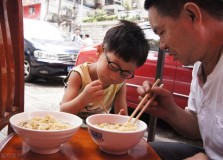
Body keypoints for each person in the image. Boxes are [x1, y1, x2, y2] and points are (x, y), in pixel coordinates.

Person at [137, 0, 223, 159]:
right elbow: (199, 129)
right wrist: (169, 111)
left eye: (161, 32)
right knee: (137, 151)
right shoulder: (200, 66)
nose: (162, 45)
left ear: (192, 15)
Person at [60, 20, 149, 121]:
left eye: (125, 73)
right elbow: (63, 112)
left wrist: (121, 118)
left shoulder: (119, 84)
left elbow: (122, 115)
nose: (115, 77)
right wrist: (84, 98)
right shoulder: (79, 75)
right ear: (100, 50)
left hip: (99, 131)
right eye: (113, 67)